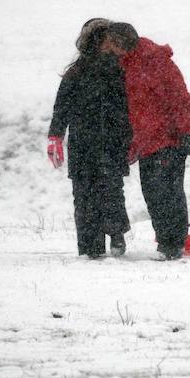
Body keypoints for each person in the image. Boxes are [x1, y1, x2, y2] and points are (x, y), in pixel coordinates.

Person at [100, 22, 190, 260]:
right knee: (154, 193)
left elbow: (180, 98)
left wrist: (187, 131)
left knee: (167, 192)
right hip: (148, 142)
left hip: (169, 140)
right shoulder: (129, 63)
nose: (109, 49)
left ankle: (172, 245)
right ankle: (168, 242)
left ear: (120, 43)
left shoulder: (155, 61)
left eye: (111, 44)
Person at [48, 19, 131, 259]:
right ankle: (89, 248)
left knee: (112, 191)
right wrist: (55, 136)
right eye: (106, 39)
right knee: (84, 196)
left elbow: (129, 107)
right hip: (83, 145)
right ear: (95, 42)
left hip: (112, 143)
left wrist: (130, 137)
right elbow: (61, 108)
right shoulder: (76, 74)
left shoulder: (120, 70)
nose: (111, 44)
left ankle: (116, 235)